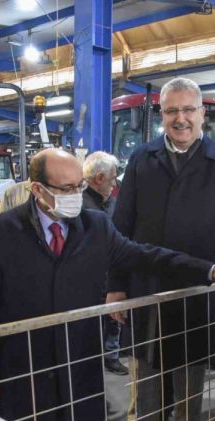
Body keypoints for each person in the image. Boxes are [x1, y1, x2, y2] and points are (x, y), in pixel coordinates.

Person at [0, 149, 215, 421]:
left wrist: (207, 270)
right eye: (67, 188)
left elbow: (147, 256)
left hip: (80, 362)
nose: (76, 194)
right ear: (37, 189)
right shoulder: (2, 231)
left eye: (79, 186)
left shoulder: (95, 226)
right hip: (25, 367)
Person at [109, 77, 215, 421]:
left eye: (189, 110)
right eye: (172, 111)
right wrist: (115, 286)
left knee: (189, 400)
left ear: (202, 114)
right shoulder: (142, 158)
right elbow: (120, 227)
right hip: (147, 289)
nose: (181, 119)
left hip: (196, 293)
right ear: (161, 114)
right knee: (145, 394)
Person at [82, 151, 128, 376]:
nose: (114, 184)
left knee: (112, 322)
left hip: (109, 275)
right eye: (111, 178)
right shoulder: (80, 207)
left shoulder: (111, 203)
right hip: (89, 278)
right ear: (99, 178)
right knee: (90, 324)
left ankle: (111, 357)